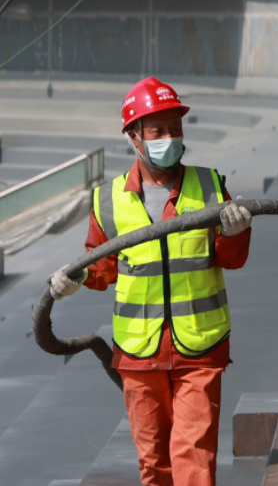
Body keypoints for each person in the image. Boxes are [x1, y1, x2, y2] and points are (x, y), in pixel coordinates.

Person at [47, 77, 253, 486]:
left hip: (200, 346)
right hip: (139, 352)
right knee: (154, 462)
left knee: (193, 456)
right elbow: (103, 266)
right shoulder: (108, 199)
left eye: (175, 128)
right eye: (157, 130)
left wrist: (235, 232)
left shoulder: (210, 186)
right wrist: (79, 278)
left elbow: (232, 259)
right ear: (134, 137)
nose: (170, 138)